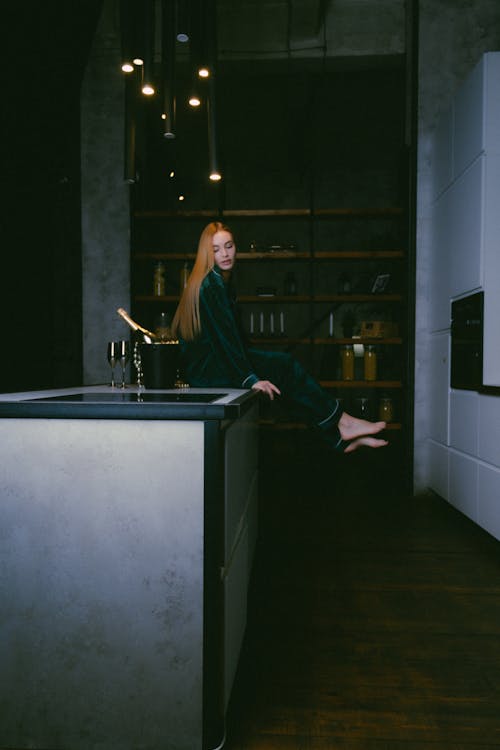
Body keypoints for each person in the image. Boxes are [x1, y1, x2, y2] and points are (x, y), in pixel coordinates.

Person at [171, 221, 388, 453]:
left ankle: (339, 435)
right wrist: (250, 379)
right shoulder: (211, 285)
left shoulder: (215, 281)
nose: (225, 254)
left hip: (210, 366)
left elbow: (233, 340)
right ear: (207, 253)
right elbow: (226, 341)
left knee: (282, 375)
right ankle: (343, 424)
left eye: (229, 246)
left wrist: (255, 369)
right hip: (209, 370)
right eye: (216, 250)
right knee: (284, 366)